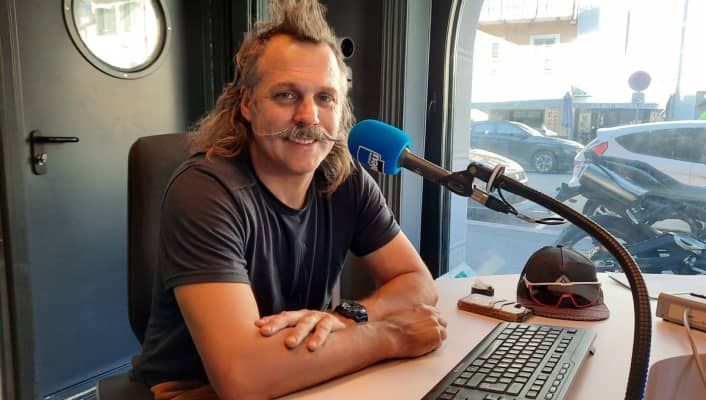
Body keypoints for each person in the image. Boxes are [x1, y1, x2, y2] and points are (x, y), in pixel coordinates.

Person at [130, 1, 447, 399]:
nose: (308, 116)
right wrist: (391, 335)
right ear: (247, 105)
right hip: (194, 391)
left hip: (303, 377)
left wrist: (347, 319)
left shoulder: (346, 178)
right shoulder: (205, 189)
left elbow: (417, 283)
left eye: (326, 98)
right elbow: (243, 377)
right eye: (285, 95)